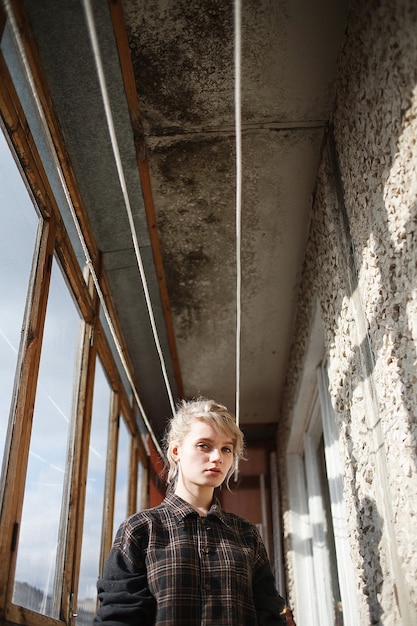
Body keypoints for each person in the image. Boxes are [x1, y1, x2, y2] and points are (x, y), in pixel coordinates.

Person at [94, 397, 287, 625]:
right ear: (176, 451)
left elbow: (269, 616)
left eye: (227, 449)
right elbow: (119, 617)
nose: (217, 457)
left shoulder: (246, 534)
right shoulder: (140, 530)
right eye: (204, 445)